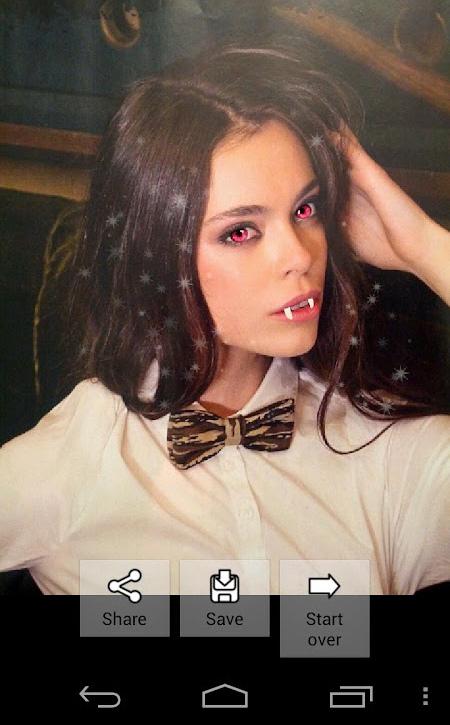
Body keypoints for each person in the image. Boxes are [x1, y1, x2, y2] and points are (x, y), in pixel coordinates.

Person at [0, 38, 449, 596]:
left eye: (304, 209)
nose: (299, 255)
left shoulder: (384, 452)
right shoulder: (73, 458)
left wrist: (424, 248)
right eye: (240, 232)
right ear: (156, 253)